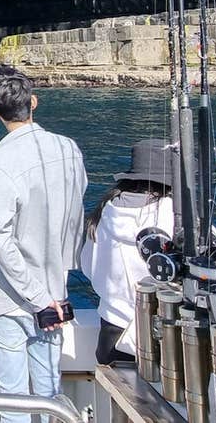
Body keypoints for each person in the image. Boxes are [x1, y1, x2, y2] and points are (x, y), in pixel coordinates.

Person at [0, 65, 86, 421]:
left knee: (14, 406)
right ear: (33, 102)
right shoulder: (70, 149)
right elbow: (76, 213)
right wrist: (55, 285)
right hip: (55, 293)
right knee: (51, 397)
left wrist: (37, 299)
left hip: (10, 301)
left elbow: (0, 240)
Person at [78, 139, 176, 366]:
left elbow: (88, 267)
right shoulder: (173, 216)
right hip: (163, 333)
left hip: (112, 333)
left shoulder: (103, 212)